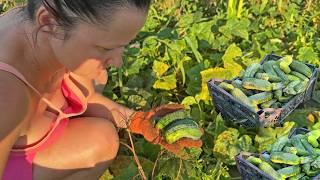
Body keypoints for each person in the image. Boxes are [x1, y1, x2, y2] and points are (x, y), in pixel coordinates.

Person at [0, 0, 202, 179]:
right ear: (48, 21)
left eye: (122, 46)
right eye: (106, 48)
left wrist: (138, 121)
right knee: (101, 139)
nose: (118, 62)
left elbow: (88, 99)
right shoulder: (8, 95)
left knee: (97, 78)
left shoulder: (46, 29)